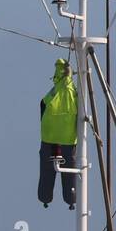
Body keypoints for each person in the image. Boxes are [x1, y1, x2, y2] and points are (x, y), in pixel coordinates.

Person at [38, 58, 79, 209]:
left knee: (47, 174)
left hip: (48, 139)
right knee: (70, 177)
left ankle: (45, 198)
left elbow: (42, 103)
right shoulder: (74, 91)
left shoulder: (54, 91)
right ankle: (71, 200)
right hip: (68, 141)